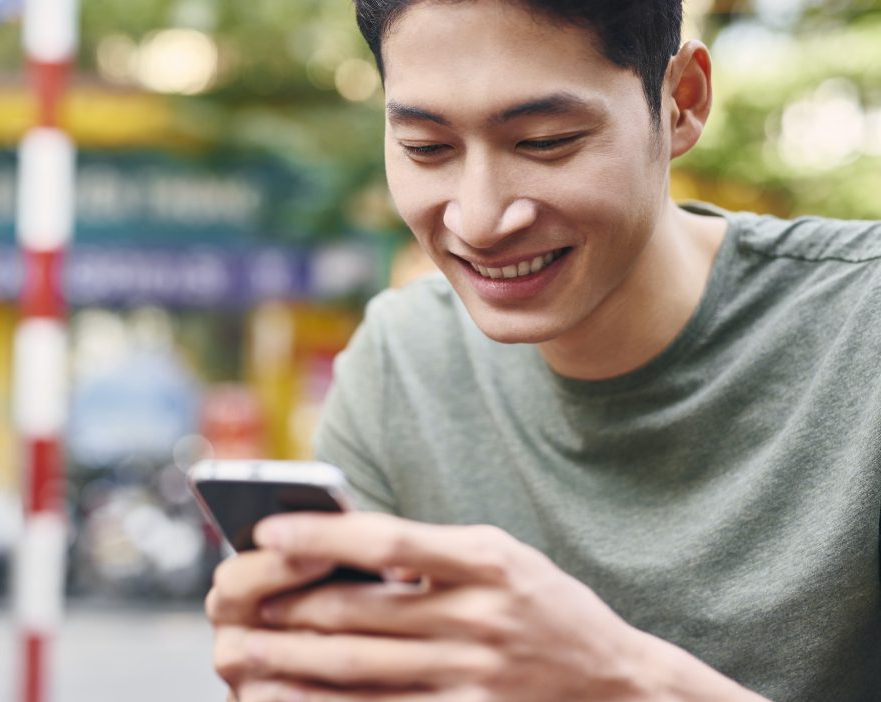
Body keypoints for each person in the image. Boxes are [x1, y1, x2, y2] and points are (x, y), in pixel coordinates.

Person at [206, 1, 881, 699]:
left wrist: (620, 679)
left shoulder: (863, 328)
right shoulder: (401, 362)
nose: (480, 220)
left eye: (545, 141)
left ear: (681, 101)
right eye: (426, 148)